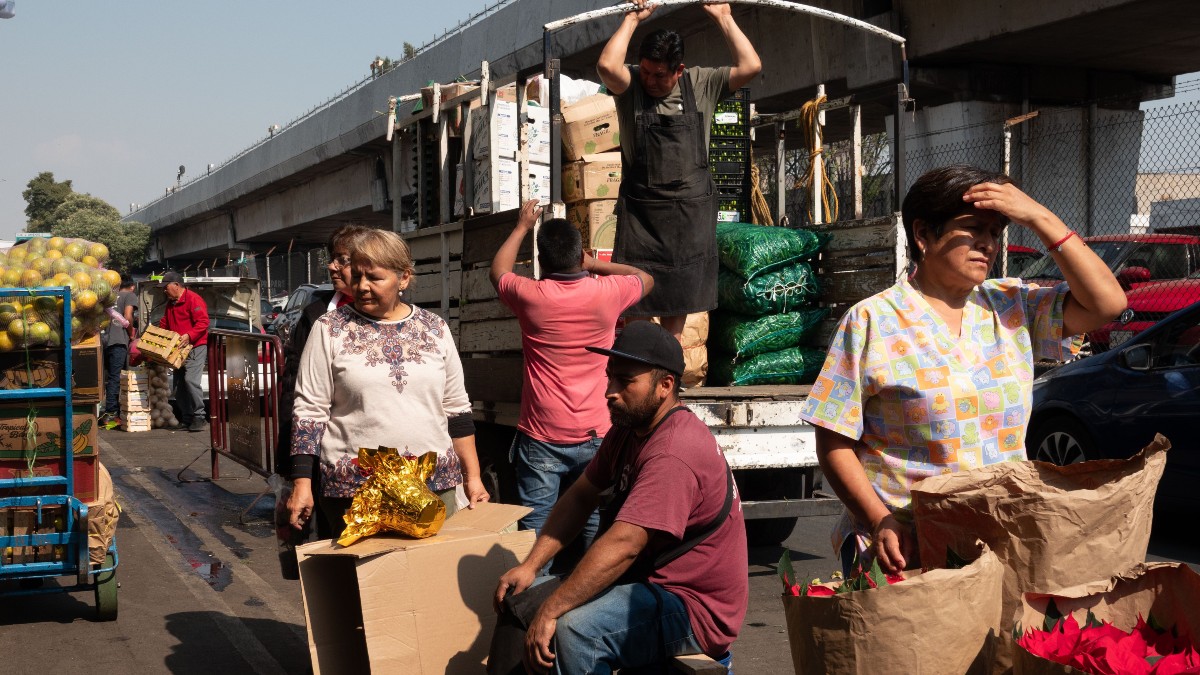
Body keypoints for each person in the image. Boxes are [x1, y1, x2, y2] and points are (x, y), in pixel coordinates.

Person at [798, 165, 1127, 575]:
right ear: (923, 235)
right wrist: (878, 518)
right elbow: (833, 440)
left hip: (999, 539)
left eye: (995, 232)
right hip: (905, 544)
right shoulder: (872, 321)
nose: (987, 244)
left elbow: (1107, 304)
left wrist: (1041, 218)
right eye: (973, 228)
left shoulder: (1012, 306)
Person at [493, 321, 747, 675]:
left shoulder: (674, 450)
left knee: (576, 631)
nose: (610, 391)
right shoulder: (628, 431)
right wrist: (531, 565)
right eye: (610, 378)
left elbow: (625, 543)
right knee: (518, 603)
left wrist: (552, 610)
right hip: (646, 581)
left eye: (625, 381)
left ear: (665, 386)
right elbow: (580, 496)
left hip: (693, 606)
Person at [286, 228, 489, 539]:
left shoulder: (435, 329)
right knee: (364, 584)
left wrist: (472, 477)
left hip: (434, 485)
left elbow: (457, 410)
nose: (363, 286)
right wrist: (302, 483)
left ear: (403, 278)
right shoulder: (329, 329)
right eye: (357, 276)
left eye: (375, 278)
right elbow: (309, 412)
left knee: (428, 582)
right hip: (355, 490)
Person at [491, 199, 653, 558]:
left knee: (537, 524)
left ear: (541, 263)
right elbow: (646, 278)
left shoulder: (531, 296)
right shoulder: (606, 293)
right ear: (579, 257)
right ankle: (582, 591)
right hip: (596, 431)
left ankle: (532, 595)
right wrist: (595, 264)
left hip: (541, 433)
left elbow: (498, 271)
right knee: (591, 517)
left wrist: (521, 227)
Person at [596, 0, 761, 343]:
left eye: (660, 75)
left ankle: (668, 367)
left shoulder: (703, 83)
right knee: (637, 300)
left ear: (679, 70)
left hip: (688, 214)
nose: (651, 81)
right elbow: (606, 65)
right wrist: (631, 19)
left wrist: (723, 17)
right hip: (643, 214)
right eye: (646, 71)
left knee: (678, 303)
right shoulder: (630, 89)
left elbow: (751, 65)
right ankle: (642, 367)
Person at [275, 224, 368, 540]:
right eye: (333, 259)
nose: (331, 266)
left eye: (341, 259)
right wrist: (293, 468)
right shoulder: (315, 315)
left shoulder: (411, 323)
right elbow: (294, 390)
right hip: (324, 461)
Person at [157, 271, 210, 432]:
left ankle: (200, 417)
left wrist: (189, 335)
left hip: (195, 346)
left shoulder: (193, 299)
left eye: (166, 287)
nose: (164, 291)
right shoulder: (170, 304)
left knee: (190, 381)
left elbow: (203, 322)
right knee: (179, 386)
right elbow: (165, 323)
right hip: (178, 350)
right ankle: (187, 418)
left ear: (177, 285)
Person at [99, 276, 137, 427]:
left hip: (104, 341)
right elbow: (128, 316)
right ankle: (111, 414)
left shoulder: (108, 296)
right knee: (116, 377)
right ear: (132, 286)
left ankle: (106, 410)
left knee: (107, 378)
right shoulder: (130, 295)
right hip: (118, 341)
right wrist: (132, 334)